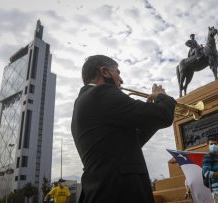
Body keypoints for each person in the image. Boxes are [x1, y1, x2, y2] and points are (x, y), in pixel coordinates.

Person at [71, 55, 177, 203]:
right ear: (105, 72)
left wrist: (150, 116)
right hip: (120, 192)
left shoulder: (83, 101)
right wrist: (162, 97)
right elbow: (164, 115)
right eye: (118, 72)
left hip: (103, 191)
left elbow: (130, 143)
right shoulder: (101, 93)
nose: (121, 80)